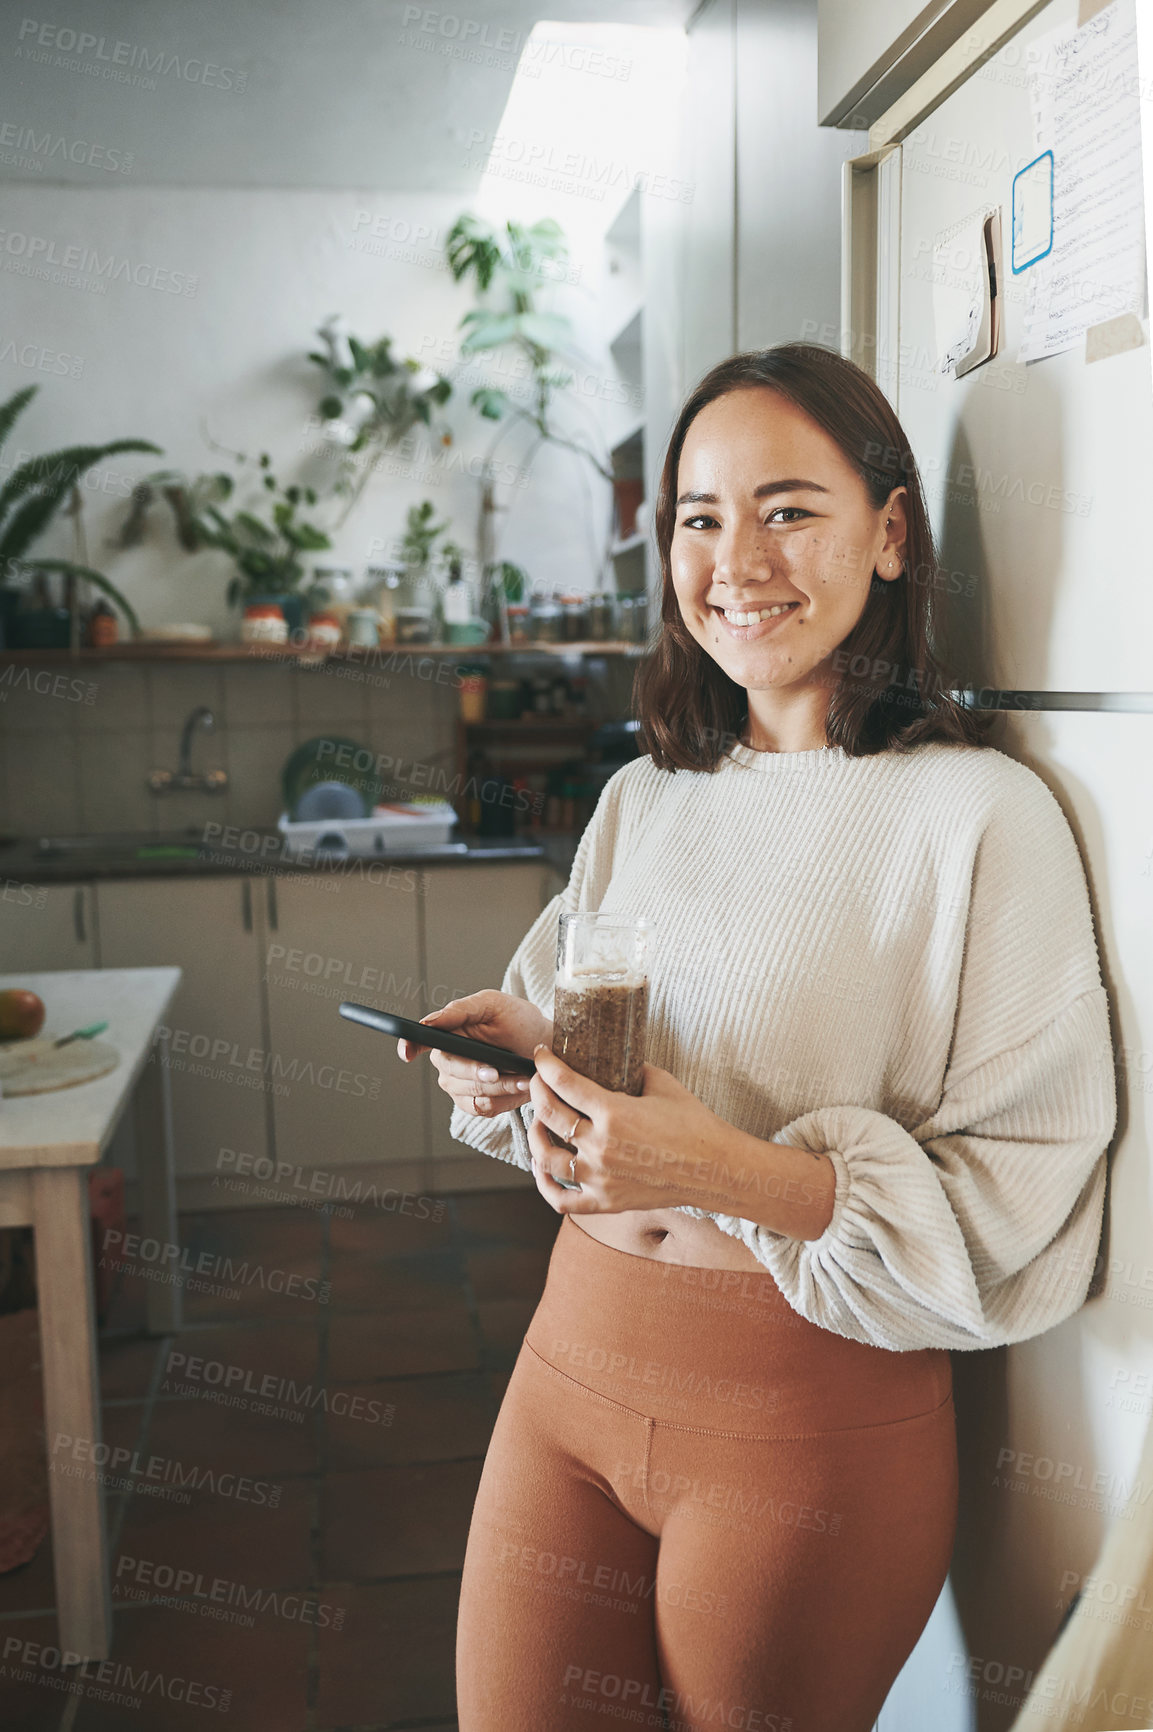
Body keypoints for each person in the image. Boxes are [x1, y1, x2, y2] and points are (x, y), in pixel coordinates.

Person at [397, 343, 1117, 1732]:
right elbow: (597, 1085)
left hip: (801, 1415)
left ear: (889, 532)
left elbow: (1025, 1187)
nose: (737, 560)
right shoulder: (645, 798)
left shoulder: (978, 818)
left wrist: (717, 1169)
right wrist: (520, 1063)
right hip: (568, 1367)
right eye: (698, 517)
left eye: (788, 509)